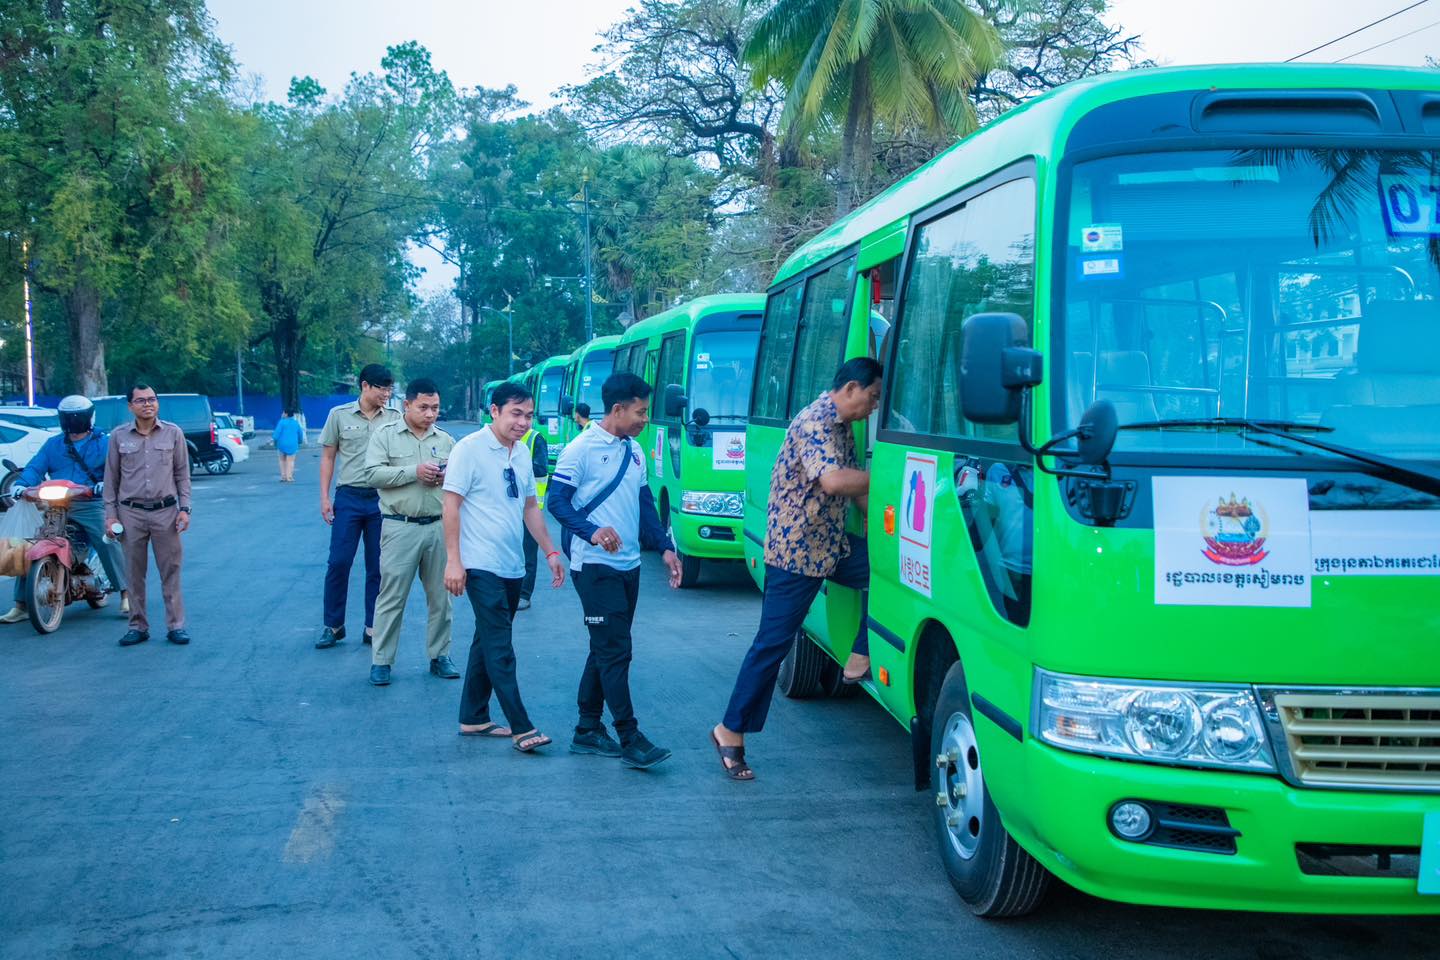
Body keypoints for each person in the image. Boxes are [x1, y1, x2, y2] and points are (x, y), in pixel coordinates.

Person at [711, 358, 883, 781]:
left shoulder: (846, 427)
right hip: (796, 552)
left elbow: (856, 489)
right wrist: (888, 478)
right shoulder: (815, 421)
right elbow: (835, 482)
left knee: (889, 573)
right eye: (872, 397)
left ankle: (859, 654)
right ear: (851, 388)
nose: (873, 407)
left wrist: (882, 536)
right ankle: (729, 730)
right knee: (772, 646)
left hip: (833, 545)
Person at [548, 372, 683, 770]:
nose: (645, 419)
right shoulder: (581, 449)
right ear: (618, 408)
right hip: (593, 567)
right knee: (616, 650)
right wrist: (591, 532)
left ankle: (587, 730)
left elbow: (644, 504)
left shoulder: (635, 450)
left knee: (605, 647)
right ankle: (629, 736)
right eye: (641, 412)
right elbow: (557, 502)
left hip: (630, 565)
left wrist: (665, 547)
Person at [444, 381, 566, 753]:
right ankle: (521, 726)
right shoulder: (469, 450)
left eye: (528, 415)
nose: (523, 422)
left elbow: (530, 507)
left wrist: (550, 552)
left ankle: (473, 716)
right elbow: (450, 505)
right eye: (516, 413)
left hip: (511, 563)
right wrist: (454, 561)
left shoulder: (523, 452)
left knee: (487, 639)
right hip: (479, 564)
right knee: (500, 645)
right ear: (494, 411)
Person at [362, 378, 459, 687]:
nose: (430, 414)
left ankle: (439, 655)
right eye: (423, 407)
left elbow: (460, 482)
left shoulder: (446, 440)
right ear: (407, 405)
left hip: (437, 526)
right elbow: (372, 474)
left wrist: (445, 478)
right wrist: (413, 472)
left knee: (441, 598)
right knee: (392, 597)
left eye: (435, 408)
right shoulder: (385, 436)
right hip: (399, 526)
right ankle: (382, 661)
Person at [0, 395, 128, 623]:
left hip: (90, 503)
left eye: (77, 416)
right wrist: (21, 485)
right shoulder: (53, 444)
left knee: (106, 540)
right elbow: (34, 468)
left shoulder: (103, 442)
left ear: (88, 417)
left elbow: (115, 469)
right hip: (55, 503)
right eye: (69, 417)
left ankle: (126, 593)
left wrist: (103, 485)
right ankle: (21, 605)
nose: (73, 421)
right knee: (31, 543)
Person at [316, 364, 399, 649]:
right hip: (349, 498)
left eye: (390, 389)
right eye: (382, 388)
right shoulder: (338, 416)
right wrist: (324, 497)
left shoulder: (394, 418)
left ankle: (372, 626)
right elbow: (328, 457)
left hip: (382, 498)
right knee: (338, 562)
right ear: (365, 386)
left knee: (378, 565)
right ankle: (333, 625)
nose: (387, 394)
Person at [103, 384, 193, 647]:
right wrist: (111, 516)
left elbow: (182, 475)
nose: (148, 404)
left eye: (152, 399)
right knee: (133, 573)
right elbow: (111, 479)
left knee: (171, 571)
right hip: (130, 513)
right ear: (130, 406)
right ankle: (137, 626)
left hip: (166, 512)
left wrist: (185, 509)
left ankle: (176, 626)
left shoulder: (173, 434)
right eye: (141, 400)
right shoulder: (119, 437)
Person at [516, 423, 548, 611]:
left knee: (528, 553)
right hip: (508, 507)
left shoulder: (536, 438)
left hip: (531, 507)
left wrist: (516, 463)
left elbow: (542, 468)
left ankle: (524, 594)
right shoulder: (503, 439)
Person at [273, 410, 304, 482]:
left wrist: (275, 441)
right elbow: (300, 434)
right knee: (291, 461)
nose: (282, 414)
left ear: (286, 414)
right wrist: (300, 441)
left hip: (282, 444)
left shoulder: (281, 422)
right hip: (293, 445)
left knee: (282, 460)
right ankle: (289, 477)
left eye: (283, 412)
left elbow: (276, 434)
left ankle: (283, 477)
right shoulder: (296, 423)